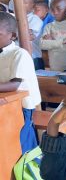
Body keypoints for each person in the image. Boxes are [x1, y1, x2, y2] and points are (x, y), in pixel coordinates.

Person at [0, 12, 41, 153]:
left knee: (21, 144)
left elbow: (14, 85)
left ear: (12, 35)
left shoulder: (20, 54)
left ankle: (26, 170)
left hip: (23, 107)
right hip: (7, 104)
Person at [40, 0, 66, 71]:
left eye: (58, 9)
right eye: (52, 9)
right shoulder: (49, 27)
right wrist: (63, 41)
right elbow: (42, 45)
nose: (55, 12)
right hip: (54, 69)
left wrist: (52, 43)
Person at [24, 0, 44, 70]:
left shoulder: (35, 20)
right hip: (19, 56)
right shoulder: (14, 18)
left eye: (24, 3)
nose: (20, 5)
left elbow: (28, 36)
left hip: (33, 57)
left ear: (32, 5)